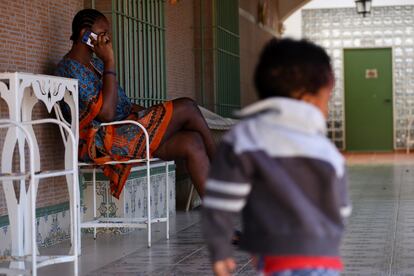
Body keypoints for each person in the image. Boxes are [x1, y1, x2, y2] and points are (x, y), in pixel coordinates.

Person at [202, 38, 351, 276]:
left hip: (276, 261)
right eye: (327, 98)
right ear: (307, 98)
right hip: (326, 262)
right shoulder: (327, 151)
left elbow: (220, 202)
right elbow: (341, 209)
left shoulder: (244, 137)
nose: (327, 109)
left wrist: (220, 251)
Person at [56, 9, 215, 199]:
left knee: (193, 142)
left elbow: (123, 105)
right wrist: (110, 61)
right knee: (188, 106)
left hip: (125, 129)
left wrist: (154, 116)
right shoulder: (69, 69)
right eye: (102, 33)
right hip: (102, 142)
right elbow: (106, 114)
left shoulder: (96, 66)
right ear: (84, 34)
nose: (107, 39)